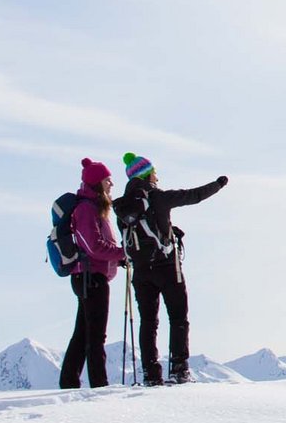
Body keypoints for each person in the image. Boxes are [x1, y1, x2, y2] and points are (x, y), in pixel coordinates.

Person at [114, 152, 227, 385]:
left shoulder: (123, 207)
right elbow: (194, 195)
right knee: (178, 318)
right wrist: (218, 184)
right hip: (167, 266)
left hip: (141, 271)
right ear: (147, 174)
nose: (157, 176)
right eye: (154, 172)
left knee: (148, 322)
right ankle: (179, 370)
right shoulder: (158, 197)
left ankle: (151, 374)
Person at [59, 158, 126, 389]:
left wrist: (118, 258)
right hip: (91, 277)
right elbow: (94, 246)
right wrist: (123, 253)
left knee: (83, 333)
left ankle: (69, 382)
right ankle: (99, 384)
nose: (111, 184)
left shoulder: (92, 207)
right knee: (96, 335)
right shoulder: (87, 209)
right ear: (97, 183)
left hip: (87, 276)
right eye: (108, 180)